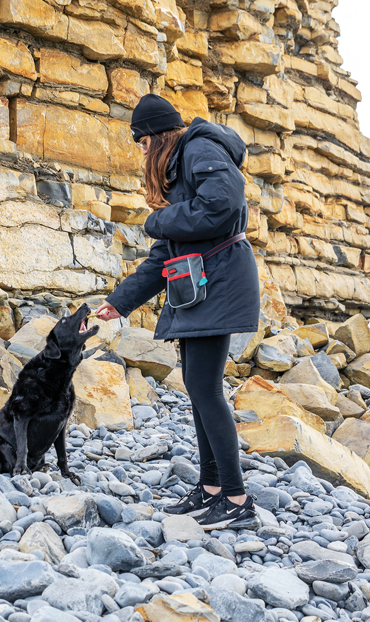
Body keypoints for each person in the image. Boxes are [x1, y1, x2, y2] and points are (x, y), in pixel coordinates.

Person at [94, 94, 260, 530]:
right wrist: (119, 302)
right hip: (200, 284)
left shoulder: (199, 148)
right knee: (196, 384)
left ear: (157, 135)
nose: (141, 151)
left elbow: (222, 205)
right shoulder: (180, 163)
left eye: (142, 142)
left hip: (220, 281)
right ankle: (210, 489)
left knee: (205, 387)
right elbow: (163, 256)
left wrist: (156, 220)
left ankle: (238, 499)